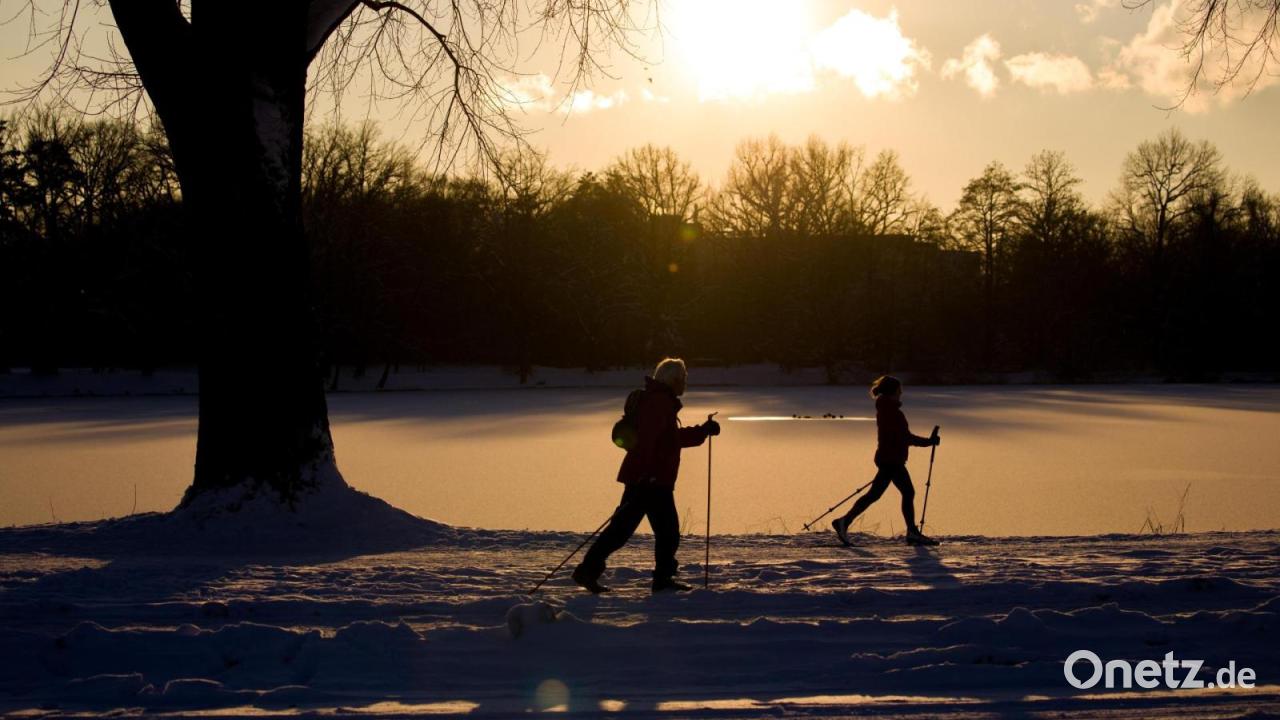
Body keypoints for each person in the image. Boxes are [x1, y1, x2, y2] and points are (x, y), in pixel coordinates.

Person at [572, 358, 721, 593]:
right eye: (683, 378)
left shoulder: (659, 400)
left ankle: (588, 571)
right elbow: (647, 442)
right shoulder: (659, 403)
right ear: (673, 380)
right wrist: (647, 475)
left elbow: (670, 440)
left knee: (624, 530)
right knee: (665, 532)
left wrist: (702, 431)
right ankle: (661, 580)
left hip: (648, 479)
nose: (685, 383)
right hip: (651, 481)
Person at [832, 375, 940, 546]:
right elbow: (904, 437)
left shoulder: (886, 409)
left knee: (878, 494)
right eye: (899, 390)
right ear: (893, 391)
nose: (901, 393)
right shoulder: (892, 412)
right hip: (892, 460)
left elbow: (901, 437)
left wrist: (927, 442)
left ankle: (844, 521)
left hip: (888, 458)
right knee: (904, 492)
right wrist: (928, 442)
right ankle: (911, 532)